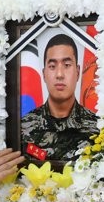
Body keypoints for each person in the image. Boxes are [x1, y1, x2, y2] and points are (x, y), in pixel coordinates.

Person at [20, 33, 99, 163]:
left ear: (78, 72)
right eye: (52, 66)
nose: (59, 74)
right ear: (44, 74)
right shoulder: (23, 128)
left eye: (67, 65)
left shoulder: (98, 128)